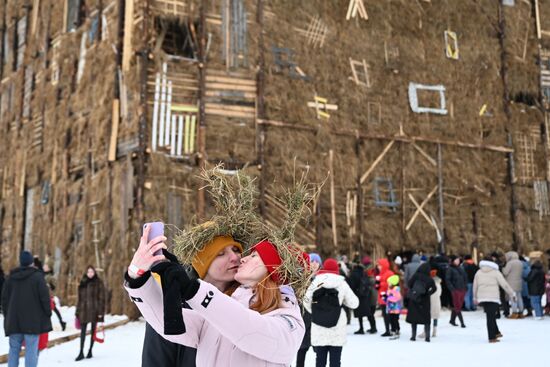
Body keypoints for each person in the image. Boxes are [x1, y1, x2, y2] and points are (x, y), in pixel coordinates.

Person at [125, 230, 309, 367]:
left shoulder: (288, 316)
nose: (241, 258)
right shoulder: (221, 309)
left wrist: (194, 290)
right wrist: (138, 279)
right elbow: (168, 323)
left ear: (275, 270)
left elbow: (252, 330)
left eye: (254, 256)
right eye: (221, 254)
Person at [143, 235, 244, 367]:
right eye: (221, 253)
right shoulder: (173, 308)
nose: (235, 257)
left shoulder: (249, 302)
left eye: (236, 250)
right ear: (202, 263)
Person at [305, 258, 359, 367]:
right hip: (337, 327)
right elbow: (354, 303)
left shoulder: (316, 282)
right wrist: (342, 301)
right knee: (335, 361)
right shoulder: (341, 283)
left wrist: (316, 311)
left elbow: (306, 301)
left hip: (318, 327)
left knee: (320, 360)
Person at [2, 251, 52, 367]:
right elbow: (45, 298)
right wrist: (48, 313)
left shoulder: (10, 278)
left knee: (14, 350)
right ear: (31, 262)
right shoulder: (38, 277)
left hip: (14, 321)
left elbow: (4, 300)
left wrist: (7, 315)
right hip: (32, 322)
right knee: (31, 351)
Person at [473, 257, 516, 343]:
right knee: (490, 317)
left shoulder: (478, 272)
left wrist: (475, 297)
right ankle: (491, 337)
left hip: (482, 297)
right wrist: (512, 293)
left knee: (490, 315)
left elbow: (475, 286)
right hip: (493, 297)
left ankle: (496, 332)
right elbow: (504, 284)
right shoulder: (496, 272)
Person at [296, 253, 322, 367]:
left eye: (317, 262)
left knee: (319, 351)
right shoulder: (301, 278)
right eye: (312, 261)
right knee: (302, 349)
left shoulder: (323, 278)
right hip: (304, 317)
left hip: (318, 318)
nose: (314, 264)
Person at [75, 265, 105, 361]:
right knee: (83, 332)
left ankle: (90, 350)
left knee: (93, 332)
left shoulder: (98, 283)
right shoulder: (83, 282)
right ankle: (81, 352)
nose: (90, 274)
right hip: (83, 310)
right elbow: (79, 299)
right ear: (86, 273)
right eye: (88, 272)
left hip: (94, 311)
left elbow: (101, 298)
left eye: (92, 272)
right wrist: (77, 311)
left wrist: (100, 312)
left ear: (94, 272)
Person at [406, 263, 436, 342]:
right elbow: (434, 288)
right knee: (426, 319)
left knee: (414, 318)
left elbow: (409, 284)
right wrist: (428, 294)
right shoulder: (429, 279)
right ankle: (427, 337)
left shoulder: (416, 276)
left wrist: (414, 290)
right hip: (425, 301)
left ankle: (413, 336)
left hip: (414, 299)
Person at [348, 257, 376, 334]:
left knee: (359, 313)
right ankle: (373, 327)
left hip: (357, 295)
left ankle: (361, 328)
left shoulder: (353, 273)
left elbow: (352, 285)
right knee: (368, 312)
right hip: (366, 295)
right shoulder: (364, 272)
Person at [42, 263, 67, 331]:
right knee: (53, 310)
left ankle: (60, 323)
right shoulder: (42, 274)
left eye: (46, 267)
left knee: (51, 310)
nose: (44, 268)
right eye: (44, 266)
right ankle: (61, 322)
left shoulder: (50, 276)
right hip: (44, 295)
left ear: (49, 268)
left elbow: (54, 286)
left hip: (48, 296)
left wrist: (49, 286)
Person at [419, 269, 441, 339]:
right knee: (435, 317)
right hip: (437, 301)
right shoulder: (438, 284)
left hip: (429, 302)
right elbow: (440, 293)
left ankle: (425, 331)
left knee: (427, 317)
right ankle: (434, 331)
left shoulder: (428, 284)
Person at [446, 255, 468, 327]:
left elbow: (465, 277)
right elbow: (448, 280)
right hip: (455, 290)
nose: (458, 261)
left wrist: (465, 286)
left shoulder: (461, 268)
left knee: (458, 305)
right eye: (456, 260)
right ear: (453, 261)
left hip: (462, 289)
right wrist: (452, 289)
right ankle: (462, 322)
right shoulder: (450, 269)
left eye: (458, 260)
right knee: (457, 305)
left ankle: (452, 320)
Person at [375, 258, 394, 337]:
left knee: (389, 314)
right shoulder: (380, 274)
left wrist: (381, 284)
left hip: (388, 296)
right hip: (382, 296)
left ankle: (392, 329)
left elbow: (392, 284)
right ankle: (387, 330)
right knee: (385, 314)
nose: (378, 267)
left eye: (379, 265)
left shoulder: (389, 273)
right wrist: (377, 285)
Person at [502, 251, 524, 318]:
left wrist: (502, 268)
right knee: (519, 298)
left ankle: (514, 313)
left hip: (511, 284)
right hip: (519, 283)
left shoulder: (510, 263)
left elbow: (505, 272)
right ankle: (521, 312)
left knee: (513, 298)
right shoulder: (520, 263)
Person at [385, 275, 402, 340]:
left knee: (395, 319)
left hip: (395, 308)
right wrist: (385, 297)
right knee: (391, 319)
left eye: (389, 282)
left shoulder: (396, 289)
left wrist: (388, 298)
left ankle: (396, 330)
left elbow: (397, 298)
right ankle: (393, 329)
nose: (388, 284)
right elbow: (388, 297)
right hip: (390, 308)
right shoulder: (390, 289)